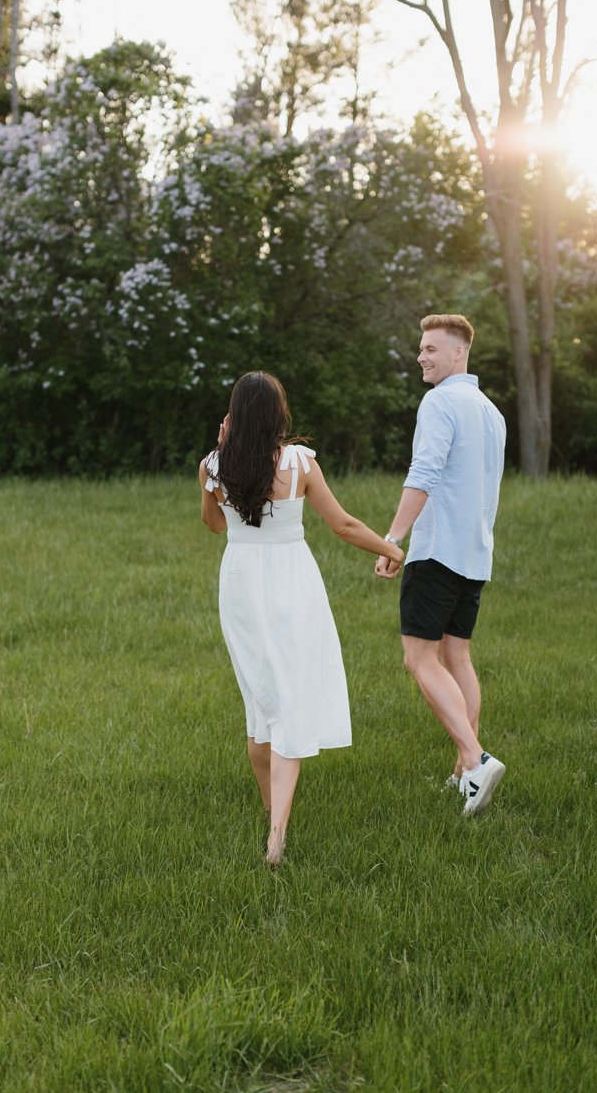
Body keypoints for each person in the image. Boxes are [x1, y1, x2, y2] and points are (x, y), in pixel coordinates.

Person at [200, 371, 404, 866]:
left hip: (241, 585)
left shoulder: (212, 465)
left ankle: (273, 821)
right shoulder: (299, 463)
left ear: (235, 414)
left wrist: (216, 461)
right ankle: (276, 835)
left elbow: (212, 524)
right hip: (292, 584)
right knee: (289, 699)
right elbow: (343, 525)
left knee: (260, 704)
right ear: (277, 414)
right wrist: (391, 548)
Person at [375, 313, 507, 817]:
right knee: (457, 658)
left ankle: (475, 761)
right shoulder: (491, 411)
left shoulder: (440, 401)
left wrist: (392, 539)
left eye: (431, 348)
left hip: (438, 552)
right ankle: (462, 772)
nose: (421, 356)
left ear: (459, 353)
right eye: (421, 349)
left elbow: (424, 472)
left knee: (419, 659)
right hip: (475, 554)